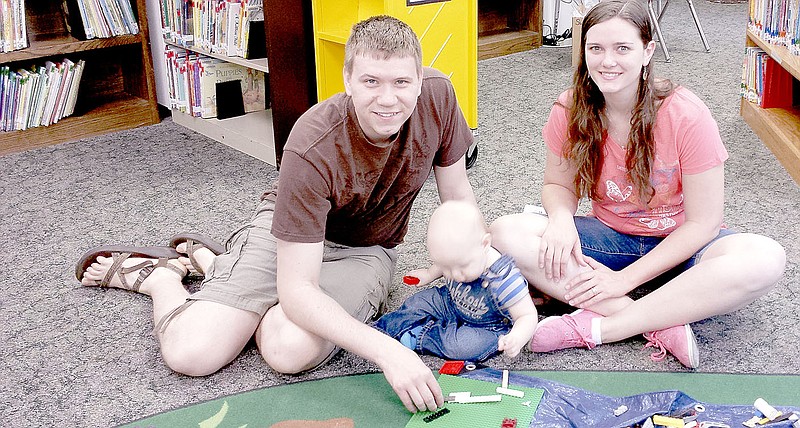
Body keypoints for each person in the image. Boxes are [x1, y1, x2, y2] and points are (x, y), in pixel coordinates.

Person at [75, 15, 477, 413]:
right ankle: (162, 280)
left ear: (420, 81)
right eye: (371, 81)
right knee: (191, 353)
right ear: (348, 80)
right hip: (289, 235)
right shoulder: (311, 141)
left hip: (366, 247)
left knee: (288, 351)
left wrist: (476, 263)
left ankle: (222, 269)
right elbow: (299, 289)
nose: (388, 99)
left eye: (402, 83)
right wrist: (390, 353)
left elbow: (458, 199)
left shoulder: (439, 95)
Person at [489, 0, 786, 368]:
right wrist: (562, 220)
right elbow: (557, 185)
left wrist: (623, 281)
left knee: (765, 258)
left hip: (682, 244)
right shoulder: (568, 109)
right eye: (595, 48)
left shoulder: (686, 113)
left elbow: (704, 223)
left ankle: (605, 327)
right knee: (506, 231)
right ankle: (658, 320)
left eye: (622, 48)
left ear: (648, 51)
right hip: (612, 237)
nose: (607, 62)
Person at [373, 200, 538, 361]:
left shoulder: (505, 279)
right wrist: (430, 274)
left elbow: (527, 315)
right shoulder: (457, 258)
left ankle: (421, 336)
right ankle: (380, 331)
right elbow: (448, 261)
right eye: (445, 267)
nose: (455, 275)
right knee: (418, 302)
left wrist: (517, 337)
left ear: (485, 244)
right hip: (451, 301)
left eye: (462, 267)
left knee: (461, 346)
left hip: (488, 326)